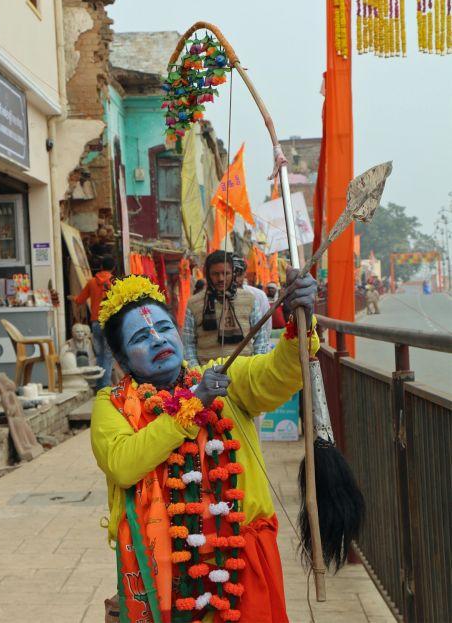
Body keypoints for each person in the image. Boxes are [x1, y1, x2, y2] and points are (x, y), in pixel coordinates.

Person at [91, 270, 318, 623]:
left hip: (240, 564)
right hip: (167, 573)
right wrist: (192, 407)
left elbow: (278, 373)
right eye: (141, 337)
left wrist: (297, 324)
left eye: (164, 329)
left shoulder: (220, 377)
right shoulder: (112, 404)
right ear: (121, 359)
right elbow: (123, 464)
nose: (157, 339)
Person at [183, 251, 268, 367]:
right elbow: (188, 344)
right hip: (208, 377)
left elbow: (261, 340)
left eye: (225, 273)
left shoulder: (249, 299)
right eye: (215, 274)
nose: (221, 278)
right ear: (207, 274)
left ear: (233, 273)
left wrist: (256, 368)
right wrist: (197, 373)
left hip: (244, 373)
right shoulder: (194, 303)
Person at [74, 255, 115, 389]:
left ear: (101, 266)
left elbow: (80, 300)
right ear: (113, 268)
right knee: (108, 355)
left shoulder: (92, 282)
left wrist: (72, 298)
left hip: (96, 322)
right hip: (109, 322)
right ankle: (104, 386)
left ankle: (99, 384)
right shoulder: (114, 282)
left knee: (99, 354)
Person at [232, 256, 272, 348]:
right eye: (233, 275)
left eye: (239, 275)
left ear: (244, 274)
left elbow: (266, 327)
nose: (236, 280)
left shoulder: (258, 295)